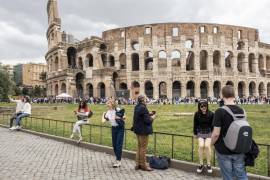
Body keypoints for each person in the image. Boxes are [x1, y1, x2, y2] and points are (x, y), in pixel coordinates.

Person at [211, 85, 248, 180]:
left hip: (224, 150)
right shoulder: (242, 110)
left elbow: (216, 134)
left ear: (222, 96)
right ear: (234, 95)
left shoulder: (220, 111)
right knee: (241, 175)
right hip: (239, 148)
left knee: (227, 176)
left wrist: (210, 143)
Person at [132, 95, 156, 171]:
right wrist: (153, 117)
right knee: (143, 148)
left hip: (138, 130)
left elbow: (141, 116)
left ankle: (138, 164)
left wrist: (149, 113)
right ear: (143, 100)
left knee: (139, 147)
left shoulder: (137, 107)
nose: (147, 100)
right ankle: (143, 165)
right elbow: (147, 121)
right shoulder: (143, 108)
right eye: (146, 99)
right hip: (143, 131)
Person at [193, 99, 214, 173]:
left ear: (207, 106)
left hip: (208, 132)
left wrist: (213, 134)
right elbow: (195, 124)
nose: (203, 108)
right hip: (200, 131)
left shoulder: (211, 114)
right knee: (201, 146)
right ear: (199, 107)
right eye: (201, 106)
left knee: (207, 146)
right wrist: (195, 133)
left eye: (205, 106)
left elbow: (213, 125)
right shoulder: (197, 114)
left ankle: (208, 164)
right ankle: (201, 164)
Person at [103, 99, 125, 168]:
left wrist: (118, 117)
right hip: (113, 129)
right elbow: (104, 119)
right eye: (107, 103)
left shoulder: (117, 109)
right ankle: (117, 158)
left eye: (109, 103)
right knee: (114, 145)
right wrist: (103, 117)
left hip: (120, 128)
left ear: (112, 104)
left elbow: (124, 117)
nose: (107, 104)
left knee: (118, 144)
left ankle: (118, 160)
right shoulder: (108, 112)